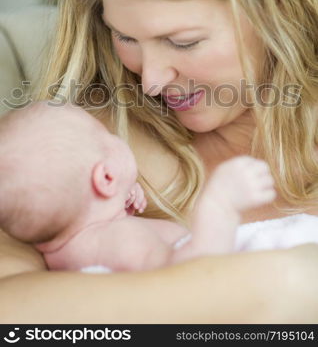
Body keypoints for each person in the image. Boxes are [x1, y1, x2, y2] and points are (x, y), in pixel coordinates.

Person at [1, 0, 318, 323]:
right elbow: (13, 311)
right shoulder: (81, 154)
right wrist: (280, 286)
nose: (149, 81)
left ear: (278, 8)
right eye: (125, 36)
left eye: (183, 42)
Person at [0, 100, 277, 272]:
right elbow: (189, 277)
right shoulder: (118, 239)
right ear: (106, 178)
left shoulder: (69, 248)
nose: (117, 136)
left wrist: (119, 197)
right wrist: (220, 205)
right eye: (108, 136)